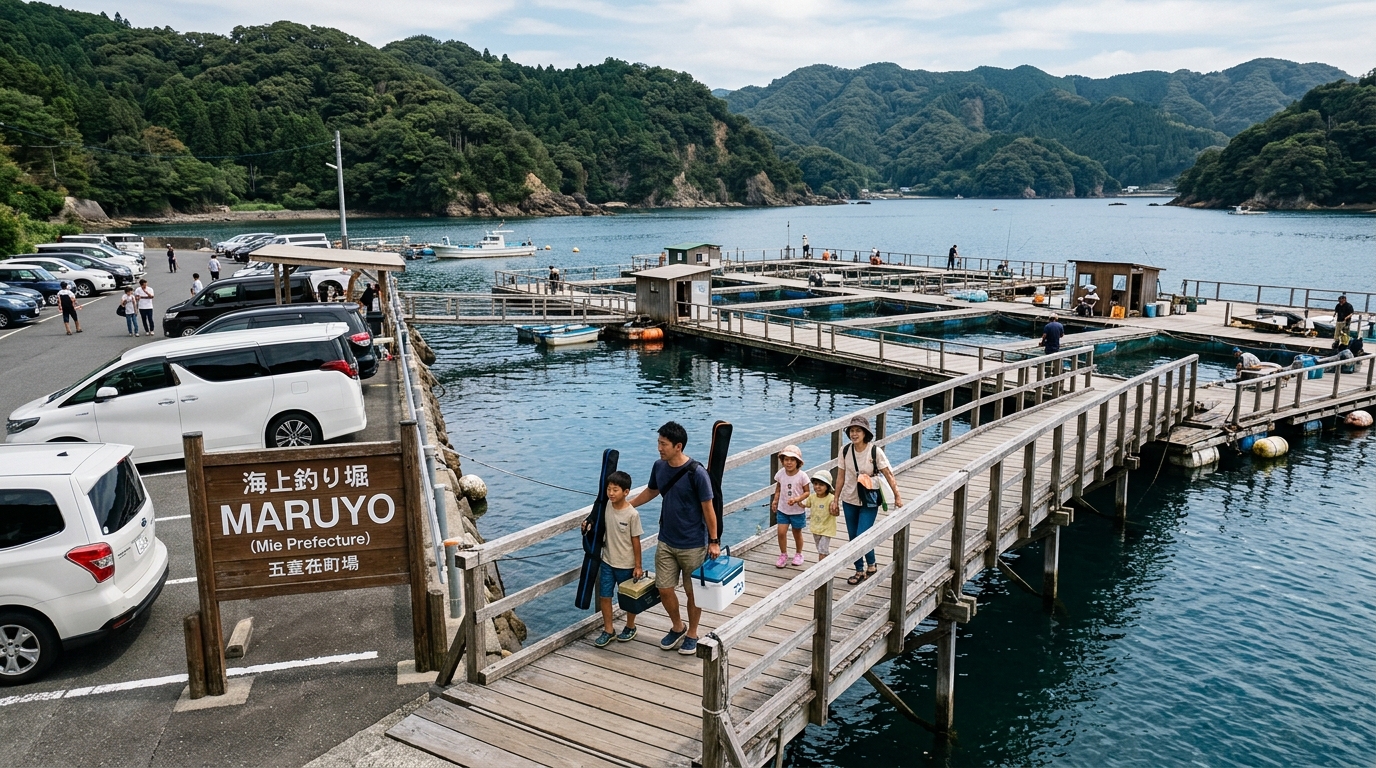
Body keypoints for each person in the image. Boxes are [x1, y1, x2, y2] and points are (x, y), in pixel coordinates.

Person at [628, 421, 719, 656]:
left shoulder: (697, 473)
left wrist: (714, 541)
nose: (659, 448)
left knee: (692, 592)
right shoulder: (659, 466)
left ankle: (693, 632)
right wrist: (627, 505)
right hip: (666, 540)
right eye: (658, 443)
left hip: (693, 544)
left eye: (664, 444)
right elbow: (652, 490)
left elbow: (709, 509)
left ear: (678, 446)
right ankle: (678, 626)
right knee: (664, 588)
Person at [831, 415, 902, 585]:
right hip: (849, 497)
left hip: (869, 498)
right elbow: (840, 476)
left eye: (858, 431)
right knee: (852, 536)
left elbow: (888, 474)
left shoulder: (874, 451)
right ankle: (865, 567)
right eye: (852, 431)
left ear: (865, 433)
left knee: (861, 535)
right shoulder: (845, 450)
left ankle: (864, 568)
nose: (854, 434)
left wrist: (897, 496)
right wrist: (835, 499)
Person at [591, 471, 643, 648]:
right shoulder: (606, 506)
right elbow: (596, 519)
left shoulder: (632, 514)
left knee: (628, 598)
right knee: (605, 596)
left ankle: (630, 626)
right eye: (609, 489)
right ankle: (608, 630)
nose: (611, 493)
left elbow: (636, 541)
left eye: (615, 490)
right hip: (607, 561)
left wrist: (638, 565)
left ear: (626, 492)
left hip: (626, 564)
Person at [771, 445, 809, 568]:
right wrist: (775, 501)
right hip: (783, 509)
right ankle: (783, 554)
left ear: (798, 462)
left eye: (792, 460)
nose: (789, 462)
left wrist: (798, 499)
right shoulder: (781, 474)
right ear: (782, 461)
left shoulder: (802, 476)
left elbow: (807, 492)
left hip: (797, 510)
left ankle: (799, 553)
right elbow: (778, 488)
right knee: (781, 532)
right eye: (786, 459)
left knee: (796, 532)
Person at [805, 470, 837, 561]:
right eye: (815, 484)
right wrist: (796, 501)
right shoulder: (812, 497)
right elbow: (805, 504)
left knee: (822, 550)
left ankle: (820, 569)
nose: (817, 487)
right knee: (820, 549)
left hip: (827, 528)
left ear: (827, 486)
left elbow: (836, 513)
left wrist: (835, 509)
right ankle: (829, 562)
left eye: (821, 485)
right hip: (816, 528)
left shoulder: (831, 498)